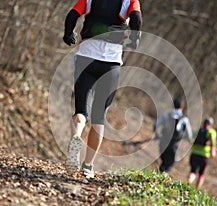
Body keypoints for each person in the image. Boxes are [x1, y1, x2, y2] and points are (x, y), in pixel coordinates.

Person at [63, 0, 143, 178]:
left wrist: (68, 34)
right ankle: (87, 166)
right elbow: (136, 19)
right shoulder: (130, 1)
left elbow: (72, 15)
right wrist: (134, 39)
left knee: (81, 111)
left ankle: (76, 136)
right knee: (98, 118)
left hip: (86, 57)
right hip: (111, 63)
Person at [153, 98, 193, 173]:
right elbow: (189, 135)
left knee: (164, 162)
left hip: (163, 142)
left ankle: (158, 176)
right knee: (169, 164)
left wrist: (157, 135)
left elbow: (155, 125)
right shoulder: (184, 119)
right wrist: (181, 137)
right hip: (173, 144)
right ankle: (160, 178)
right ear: (182, 107)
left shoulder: (166, 115)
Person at [188, 117, 217, 189]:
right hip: (204, 156)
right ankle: (196, 190)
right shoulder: (212, 132)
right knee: (201, 174)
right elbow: (213, 143)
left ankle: (188, 183)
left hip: (194, 153)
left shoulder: (198, 130)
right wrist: (213, 152)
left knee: (193, 171)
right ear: (211, 124)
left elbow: (191, 140)